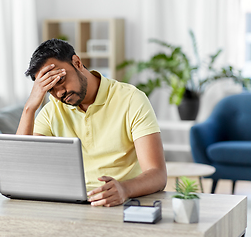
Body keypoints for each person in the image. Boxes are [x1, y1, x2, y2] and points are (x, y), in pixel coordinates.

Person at [17, 38, 167, 207]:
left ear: (77, 62)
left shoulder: (131, 99)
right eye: (49, 88)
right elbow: (22, 173)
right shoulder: (52, 111)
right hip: (72, 206)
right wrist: (29, 108)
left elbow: (158, 175)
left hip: (123, 203)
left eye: (59, 80)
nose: (59, 93)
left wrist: (124, 189)